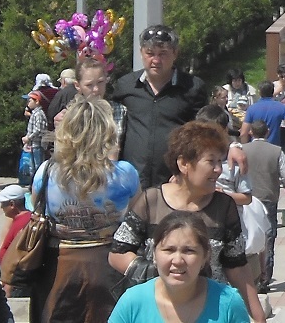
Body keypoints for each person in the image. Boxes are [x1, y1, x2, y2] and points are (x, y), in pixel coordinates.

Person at [110, 120, 266, 323]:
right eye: (211, 162)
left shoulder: (224, 206)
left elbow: (236, 264)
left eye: (221, 161)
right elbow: (117, 253)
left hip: (212, 311)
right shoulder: (152, 201)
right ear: (184, 164)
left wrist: (257, 314)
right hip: (157, 306)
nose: (219, 170)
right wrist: (161, 272)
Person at [27, 96, 141, 323]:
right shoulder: (125, 173)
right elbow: (136, 216)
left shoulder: (47, 171)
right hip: (108, 265)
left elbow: (36, 206)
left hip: (58, 266)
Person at [109, 211, 250, 323]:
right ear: (154, 255)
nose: (177, 260)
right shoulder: (132, 302)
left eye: (189, 251)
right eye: (169, 250)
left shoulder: (228, 303)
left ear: (205, 257)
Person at [113, 26, 209, 188]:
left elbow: (203, 133)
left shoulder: (193, 88)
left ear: (175, 53)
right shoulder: (125, 86)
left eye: (163, 54)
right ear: (141, 52)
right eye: (150, 53)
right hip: (130, 183)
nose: (156, 60)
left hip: (174, 183)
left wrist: (235, 146)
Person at [239, 119, 285, 294]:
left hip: (244, 198)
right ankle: (265, 278)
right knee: (267, 237)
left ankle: (247, 275)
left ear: (251, 133)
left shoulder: (241, 150)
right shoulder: (276, 151)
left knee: (244, 234)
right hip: (267, 196)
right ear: (268, 132)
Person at [240, 81, 285, 161]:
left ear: (260, 92)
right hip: (274, 150)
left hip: (255, 149)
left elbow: (243, 133)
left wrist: (244, 150)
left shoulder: (252, 109)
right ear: (273, 91)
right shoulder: (281, 107)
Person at [0, 185, 31, 266]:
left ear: (12, 204)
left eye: (3, 204)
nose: (1, 207)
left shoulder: (20, 224)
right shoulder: (27, 218)